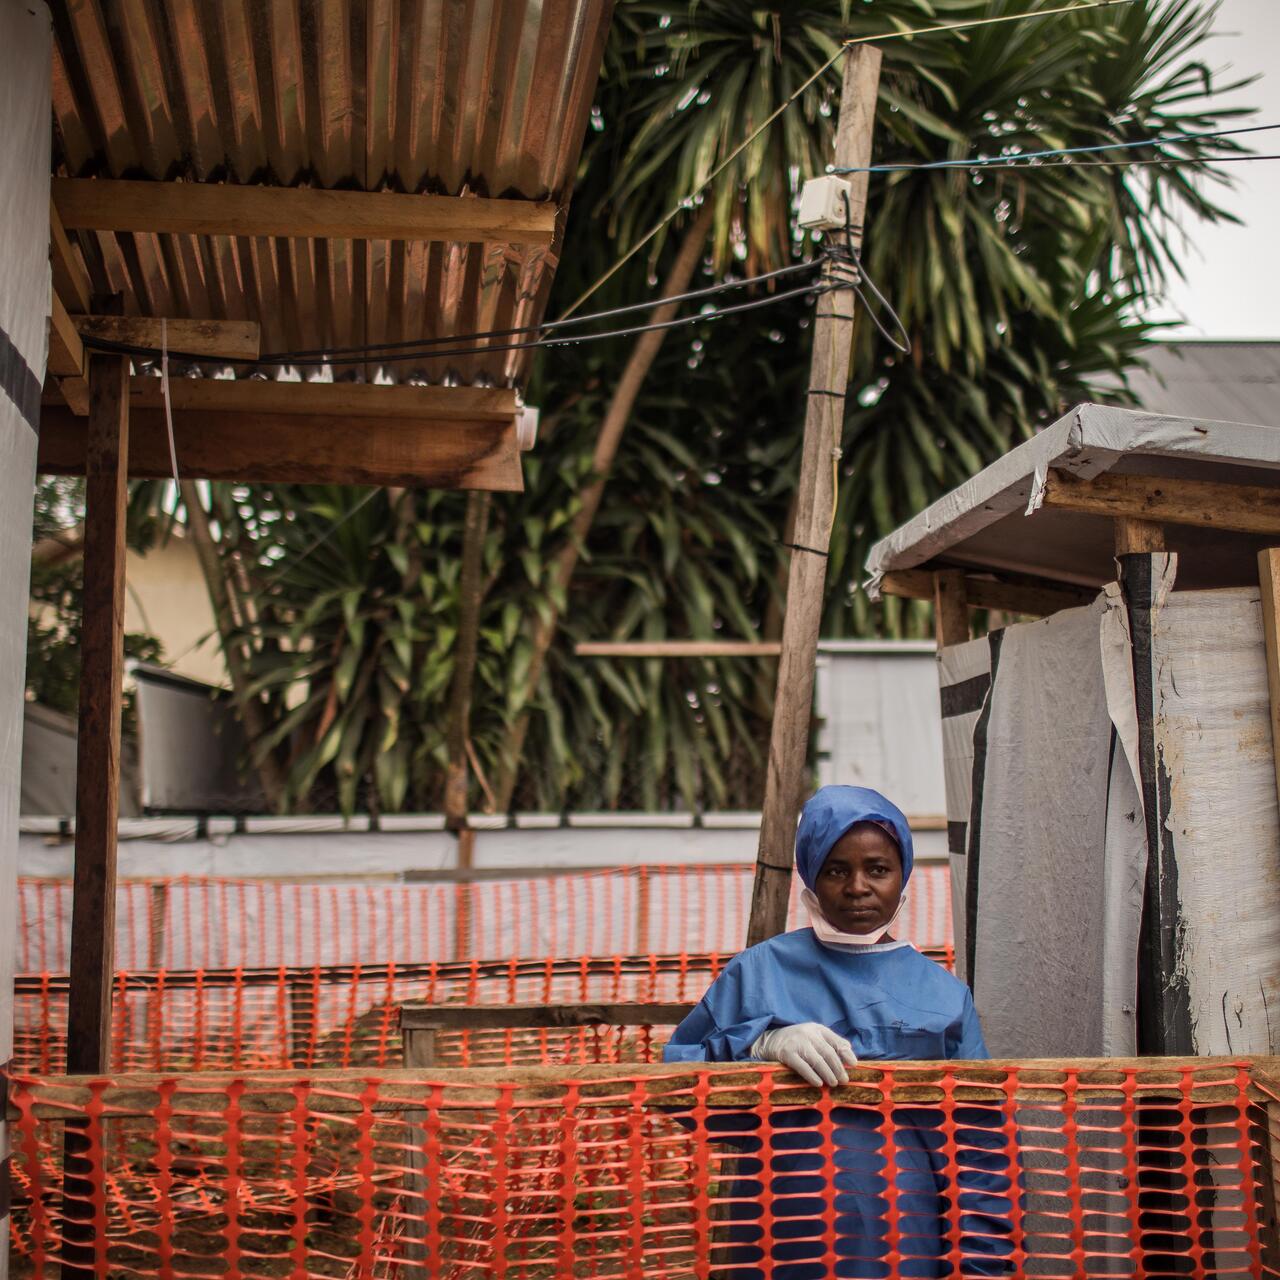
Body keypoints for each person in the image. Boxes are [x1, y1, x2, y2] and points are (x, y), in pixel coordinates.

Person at [664, 785, 1013, 1278]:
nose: (857, 887)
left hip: (906, 1243)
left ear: (903, 874)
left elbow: (979, 1148)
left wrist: (980, 1269)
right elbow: (675, 1088)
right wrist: (758, 1044)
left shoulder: (943, 996)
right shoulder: (758, 974)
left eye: (877, 869)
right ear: (810, 875)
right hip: (778, 1241)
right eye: (835, 870)